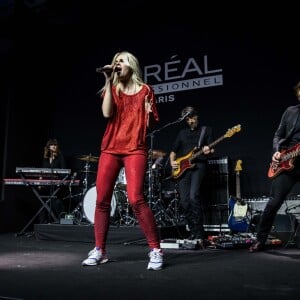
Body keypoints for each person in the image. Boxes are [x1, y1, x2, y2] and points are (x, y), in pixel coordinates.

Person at [81, 51, 163, 270]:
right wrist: (108, 80)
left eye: (121, 61)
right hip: (110, 148)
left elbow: (151, 123)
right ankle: (99, 250)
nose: (117, 64)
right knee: (102, 200)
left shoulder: (145, 90)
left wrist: (147, 117)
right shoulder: (114, 88)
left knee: (136, 198)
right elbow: (107, 113)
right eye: (115, 62)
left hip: (135, 148)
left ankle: (155, 249)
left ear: (132, 66)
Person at [249, 81, 300, 252]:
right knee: (273, 202)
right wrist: (277, 151)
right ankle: (260, 240)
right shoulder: (290, 111)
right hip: (287, 162)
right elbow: (278, 135)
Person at [169, 106, 214, 247]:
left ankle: (200, 233)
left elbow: (211, 150)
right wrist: (172, 163)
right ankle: (193, 231)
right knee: (184, 201)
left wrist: (208, 150)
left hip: (199, 166)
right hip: (183, 169)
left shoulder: (206, 130)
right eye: (187, 119)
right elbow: (173, 152)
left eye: (192, 118)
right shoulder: (182, 133)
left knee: (194, 196)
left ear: (196, 116)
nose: (190, 121)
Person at [38, 138, 67, 223]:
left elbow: (64, 171)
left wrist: (59, 181)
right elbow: (42, 171)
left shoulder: (60, 157)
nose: (54, 146)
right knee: (42, 201)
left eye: (55, 145)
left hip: (56, 185)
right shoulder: (46, 158)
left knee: (57, 202)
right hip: (45, 185)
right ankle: (42, 223)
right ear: (48, 147)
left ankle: (62, 221)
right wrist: (40, 182)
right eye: (52, 145)